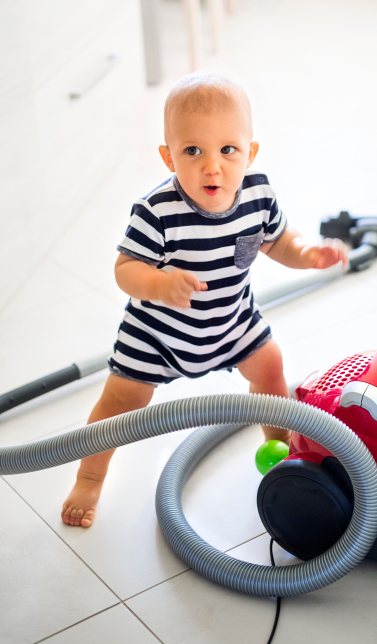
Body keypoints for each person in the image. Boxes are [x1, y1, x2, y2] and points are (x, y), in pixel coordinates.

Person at [61, 73, 347, 527]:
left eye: (227, 150)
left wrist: (307, 254)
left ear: (250, 153)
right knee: (119, 403)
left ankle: (281, 448)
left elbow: (279, 242)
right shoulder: (156, 211)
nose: (211, 167)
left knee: (271, 369)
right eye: (193, 151)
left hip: (233, 323)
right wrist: (159, 285)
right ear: (168, 156)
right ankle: (90, 475)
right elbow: (125, 270)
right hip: (156, 334)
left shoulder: (258, 194)